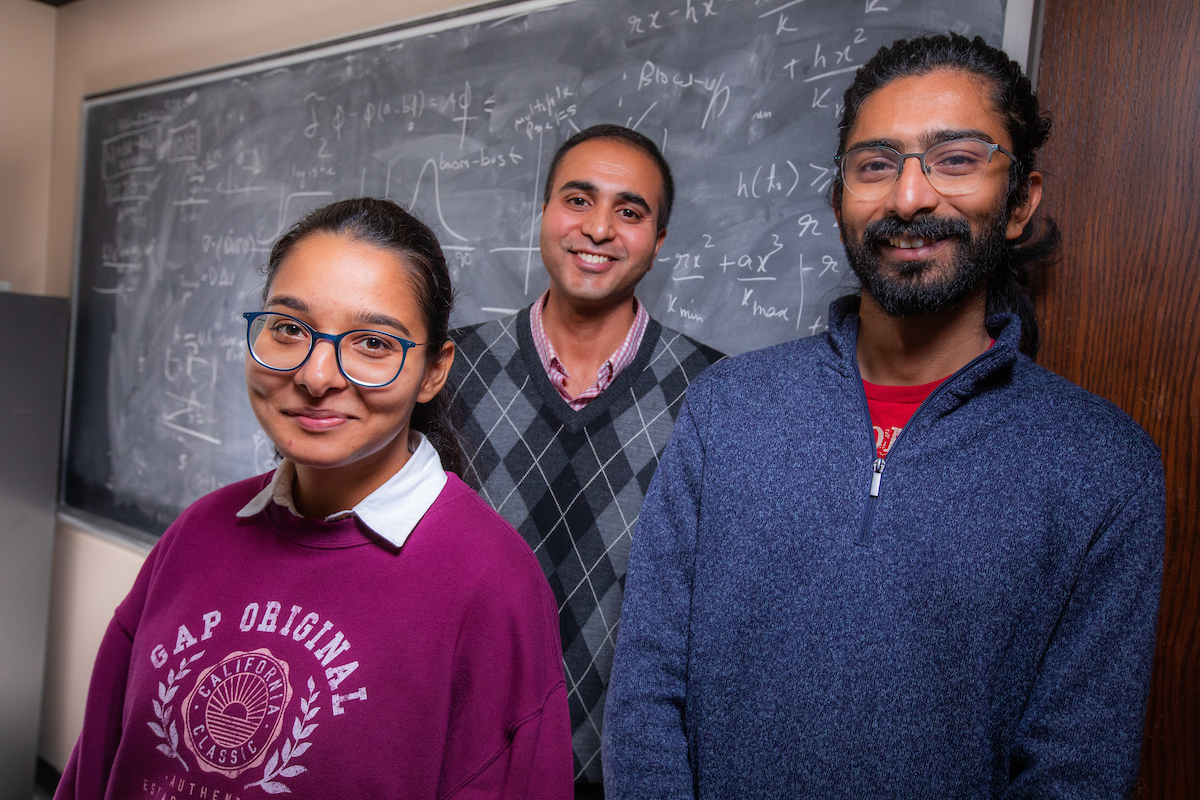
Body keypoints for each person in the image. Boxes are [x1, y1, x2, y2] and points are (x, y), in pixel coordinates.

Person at [604, 34, 1165, 799]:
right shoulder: (728, 409)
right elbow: (647, 690)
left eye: (956, 159)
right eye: (876, 165)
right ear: (839, 201)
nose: (909, 198)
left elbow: (1075, 770)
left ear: (1020, 202)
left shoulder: (1102, 465)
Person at [55, 198, 573, 800]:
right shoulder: (198, 531)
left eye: (373, 343)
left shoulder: (490, 582)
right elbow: (97, 762)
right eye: (289, 329)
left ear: (433, 371)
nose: (317, 376)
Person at [447, 124, 723, 792]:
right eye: (578, 200)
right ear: (543, 213)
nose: (599, 228)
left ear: (658, 243)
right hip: (454, 754)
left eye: (630, 212)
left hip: (616, 772)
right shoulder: (448, 371)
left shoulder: (715, 395)